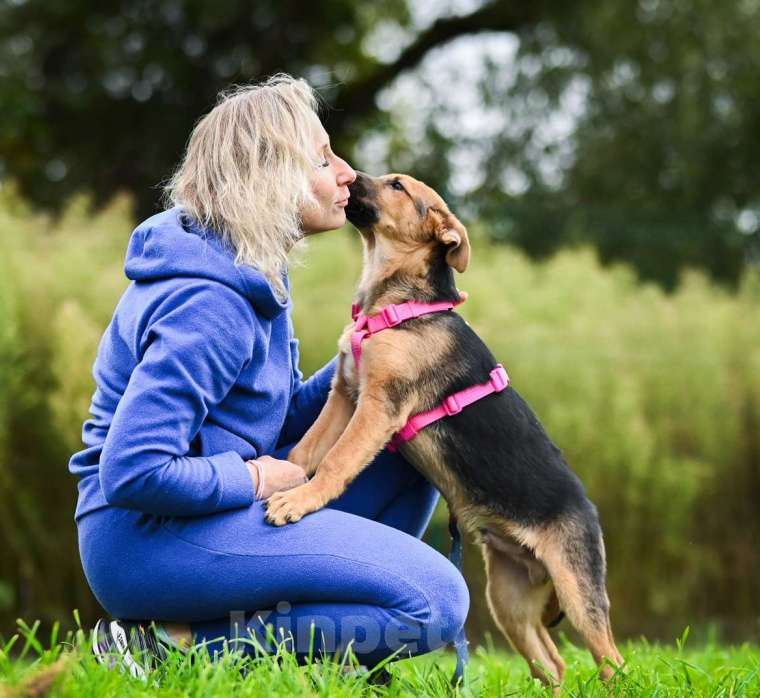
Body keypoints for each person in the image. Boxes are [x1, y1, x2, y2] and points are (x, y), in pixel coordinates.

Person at [69, 74, 469, 682]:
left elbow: (266, 418)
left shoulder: (253, 274)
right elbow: (133, 471)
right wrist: (257, 477)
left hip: (204, 512)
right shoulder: (209, 306)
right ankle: (178, 649)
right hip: (145, 539)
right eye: (321, 159)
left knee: (407, 443)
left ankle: (331, 651)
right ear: (269, 177)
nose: (345, 172)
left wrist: (372, 364)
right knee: (433, 602)